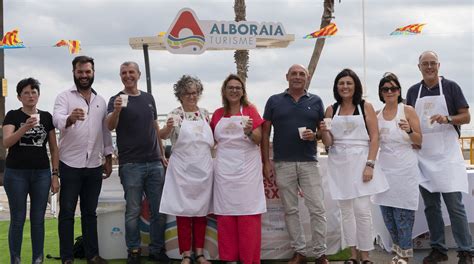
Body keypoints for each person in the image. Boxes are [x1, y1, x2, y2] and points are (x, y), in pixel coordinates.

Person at [406, 51, 473, 264]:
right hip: (423, 155)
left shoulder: (451, 87)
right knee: (431, 206)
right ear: (419, 67)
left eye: (432, 63)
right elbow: (408, 120)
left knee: (455, 206)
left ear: (438, 65)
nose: (429, 67)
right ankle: (438, 249)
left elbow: (466, 116)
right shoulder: (413, 91)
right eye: (425, 64)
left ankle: (466, 251)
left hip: (447, 155)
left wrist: (447, 118)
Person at [262, 64, 329, 264]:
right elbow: (265, 134)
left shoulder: (316, 101)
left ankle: (319, 253)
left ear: (307, 78)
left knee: (317, 209)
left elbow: (323, 132)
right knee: (291, 210)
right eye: (294, 74)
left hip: (309, 162)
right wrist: (266, 161)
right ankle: (300, 252)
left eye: (302, 74)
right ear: (287, 77)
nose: (298, 77)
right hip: (283, 163)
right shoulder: (274, 101)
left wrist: (315, 135)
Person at [320, 68, 388, 264]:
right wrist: (324, 131)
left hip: (361, 161)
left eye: (349, 83)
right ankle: (352, 255)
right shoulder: (331, 110)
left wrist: (370, 165)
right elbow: (329, 142)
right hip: (339, 162)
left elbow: (375, 137)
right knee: (346, 211)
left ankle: (365, 254)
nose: (345, 87)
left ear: (355, 86)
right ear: (336, 87)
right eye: (341, 83)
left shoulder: (365, 106)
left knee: (362, 209)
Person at [106, 61, 169, 264]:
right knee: (133, 210)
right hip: (130, 164)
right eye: (123, 72)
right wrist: (116, 110)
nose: (127, 75)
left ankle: (157, 249)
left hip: (154, 162)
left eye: (131, 72)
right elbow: (109, 126)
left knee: (158, 210)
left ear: (138, 74)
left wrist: (161, 154)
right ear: (120, 76)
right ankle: (133, 250)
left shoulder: (148, 98)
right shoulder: (115, 99)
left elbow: (155, 128)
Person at [53, 55, 113, 264]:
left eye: (88, 72)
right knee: (67, 212)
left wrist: (108, 157)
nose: (84, 76)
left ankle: (92, 255)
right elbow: (56, 119)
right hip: (70, 164)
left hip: (94, 165)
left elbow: (105, 132)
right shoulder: (64, 97)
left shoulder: (101, 101)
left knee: (90, 212)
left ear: (93, 73)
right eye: (80, 72)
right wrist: (69, 118)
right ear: (74, 73)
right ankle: (67, 257)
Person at [2, 78, 59, 264]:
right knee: (18, 219)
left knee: (38, 219)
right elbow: (6, 142)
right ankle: (15, 259)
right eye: (26, 92)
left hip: (41, 173)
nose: (30, 95)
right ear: (19, 97)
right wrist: (24, 127)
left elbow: (54, 148)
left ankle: (38, 258)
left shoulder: (47, 116)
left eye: (34, 92)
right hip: (16, 173)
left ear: (38, 95)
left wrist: (55, 174)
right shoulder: (12, 115)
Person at [210, 73, 266, 264]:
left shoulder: (250, 110)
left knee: (247, 217)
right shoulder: (217, 114)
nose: (234, 90)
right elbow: (211, 141)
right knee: (226, 217)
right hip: (224, 171)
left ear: (243, 92)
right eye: (230, 87)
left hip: (247, 172)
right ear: (224, 91)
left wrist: (249, 131)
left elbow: (258, 139)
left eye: (238, 88)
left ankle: (249, 260)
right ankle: (229, 259)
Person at [158, 75, 213, 264]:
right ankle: (186, 254)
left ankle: (199, 253)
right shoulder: (174, 114)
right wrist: (167, 127)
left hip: (203, 169)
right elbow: (162, 136)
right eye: (187, 93)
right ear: (180, 95)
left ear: (199, 94)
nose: (191, 96)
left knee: (201, 212)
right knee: (183, 213)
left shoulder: (205, 114)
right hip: (182, 170)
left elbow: (213, 142)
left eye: (194, 92)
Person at [371, 73, 423, 264]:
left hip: (405, 170)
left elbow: (419, 141)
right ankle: (397, 253)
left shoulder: (407, 110)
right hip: (385, 171)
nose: (390, 92)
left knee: (404, 215)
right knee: (389, 217)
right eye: (386, 89)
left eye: (393, 88)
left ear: (399, 90)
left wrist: (409, 130)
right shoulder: (377, 115)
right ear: (381, 92)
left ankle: (405, 255)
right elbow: (373, 142)